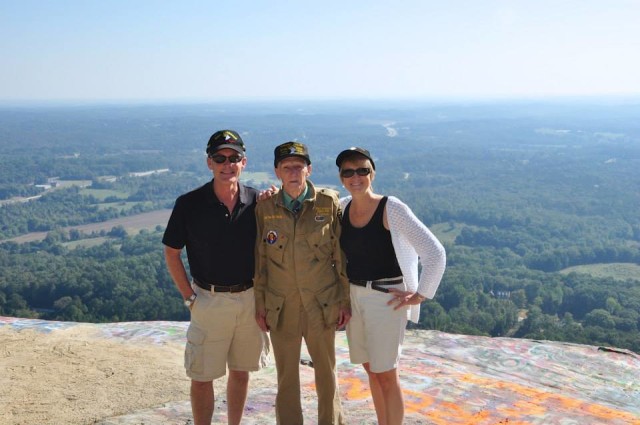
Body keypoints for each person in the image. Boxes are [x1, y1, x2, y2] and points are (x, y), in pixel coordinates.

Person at [162, 129, 269, 425]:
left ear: (243, 162)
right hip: (207, 300)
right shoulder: (189, 204)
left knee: (241, 371)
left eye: (233, 157)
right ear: (209, 162)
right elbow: (171, 252)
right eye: (219, 158)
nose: (227, 164)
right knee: (202, 376)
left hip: (249, 299)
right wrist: (190, 298)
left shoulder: (258, 202)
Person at [335, 146, 446, 425]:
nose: (356, 176)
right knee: (371, 369)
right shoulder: (343, 207)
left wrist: (421, 293)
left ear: (373, 173)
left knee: (386, 373)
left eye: (363, 170)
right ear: (341, 177)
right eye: (348, 171)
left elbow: (434, 252)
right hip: (355, 298)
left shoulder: (391, 208)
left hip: (386, 298)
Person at [254, 141, 351, 425]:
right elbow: (260, 262)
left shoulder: (328, 202)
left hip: (321, 303)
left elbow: (340, 257)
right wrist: (260, 305)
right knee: (286, 378)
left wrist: (344, 301)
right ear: (277, 172)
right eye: (287, 167)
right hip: (281, 305)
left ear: (309, 169)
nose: (294, 171)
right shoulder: (265, 208)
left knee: (327, 374)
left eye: (299, 166)